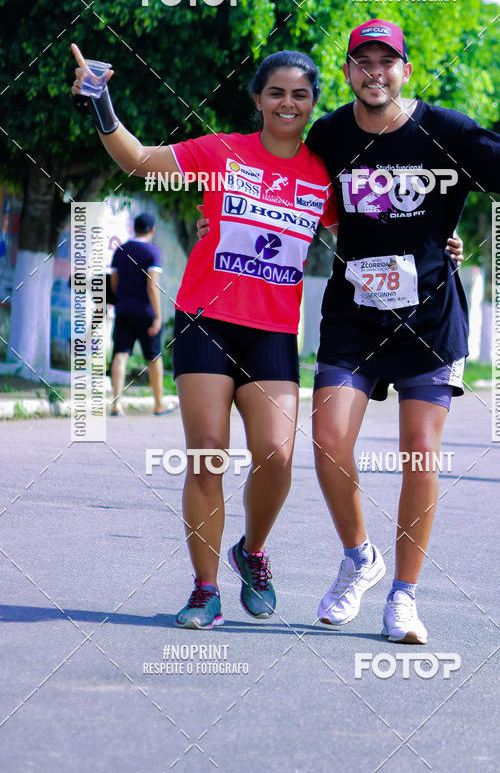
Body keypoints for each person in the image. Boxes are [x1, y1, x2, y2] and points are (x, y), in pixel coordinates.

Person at [71, 42, 340, 629]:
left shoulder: (325, 173)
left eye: (300, 94)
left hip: (272, 330)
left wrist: (441, 247)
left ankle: (253, 551)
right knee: (207, 455)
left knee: (276, 454)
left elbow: (377, 230)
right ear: (258, 100)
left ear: (314, 102)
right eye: (276, 93)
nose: (288, 103)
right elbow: (138, 160)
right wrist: (100, 103)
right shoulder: (222, 152)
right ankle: (205, 588)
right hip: (206, 321)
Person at [305, 19, 500, 643]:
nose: (374, 73)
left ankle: (404, 597)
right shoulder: (329, 135)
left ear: (405, 71)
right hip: (353, 318)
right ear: (347, 74)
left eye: (386, 62)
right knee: (328, 439)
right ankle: (360, 558)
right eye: (361, 62)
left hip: (430, 319)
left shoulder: (443, 130)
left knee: (420, 451)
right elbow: (294, 198)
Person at [109, 212, 171, 416]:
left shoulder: (120, 251)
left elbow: (114, 283)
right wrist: (158, 316)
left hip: (124, 310)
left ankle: (117, 404)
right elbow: (152, 286)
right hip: (146, 312)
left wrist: (123, 299)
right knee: (154, 357)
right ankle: (158, 403)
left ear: (133, 228)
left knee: (120, 353)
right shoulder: (153, 252)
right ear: (152, 230)